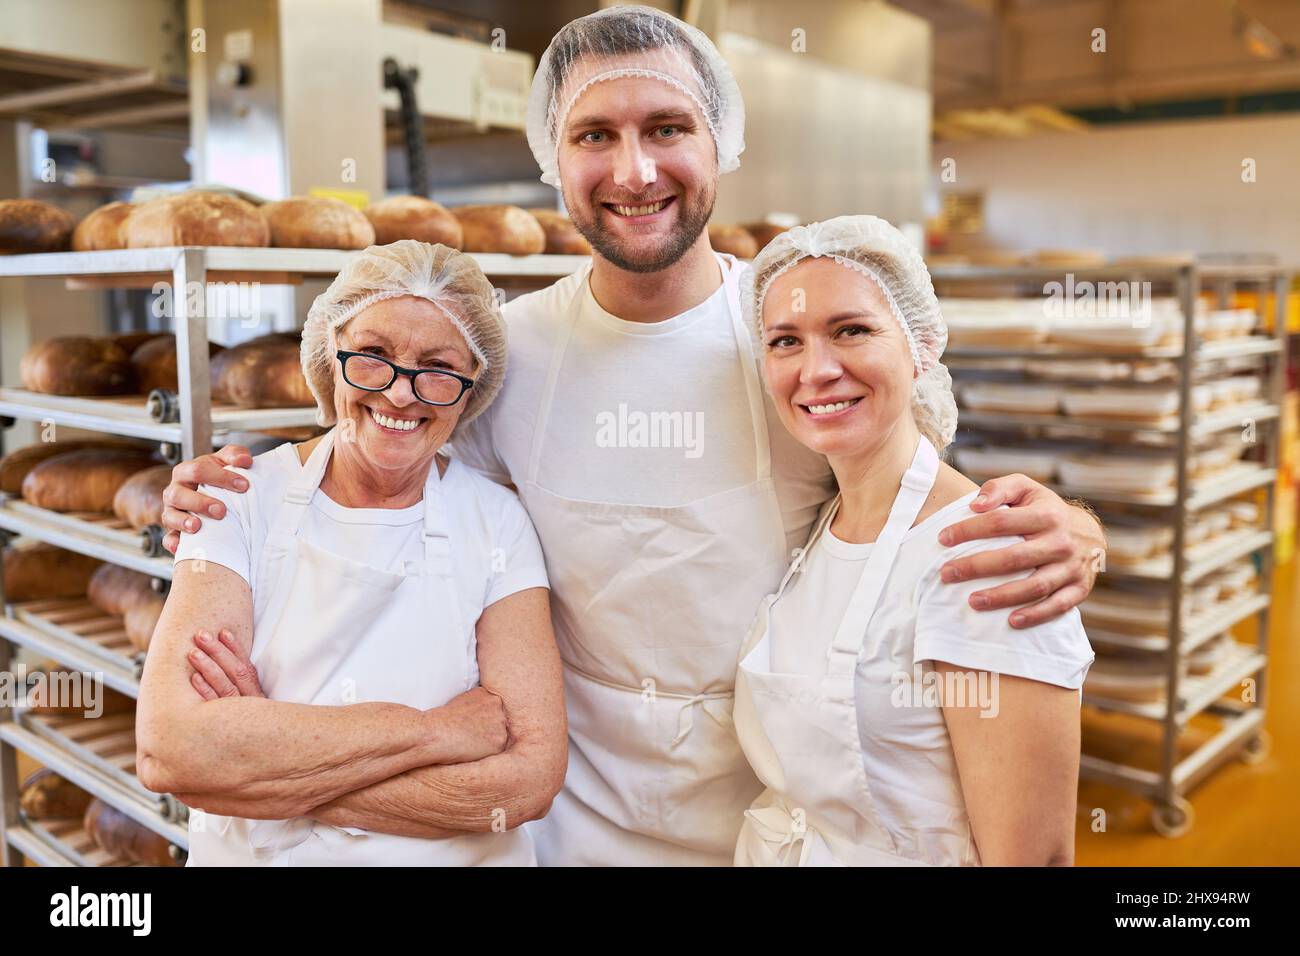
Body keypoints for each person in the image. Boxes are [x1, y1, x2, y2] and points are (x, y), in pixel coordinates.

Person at [157, 6, 1105, 866]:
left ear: (720, 142)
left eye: (667, 128)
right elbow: (384, 449)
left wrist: (1072, 525)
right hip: (559, 812)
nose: (634, 170)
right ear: (552, 159)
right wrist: (228, 490)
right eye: (594, 135)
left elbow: (910, 486)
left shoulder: (785, 332)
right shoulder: (513, 352)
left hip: (772, 810)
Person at [136, 241, 566, 866]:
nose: (400, 394)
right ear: (329, 360)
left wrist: (259, 773)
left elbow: (527, 781)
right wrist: (439, 732)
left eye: (439, 368)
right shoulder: (234, 501)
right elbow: (171, 749)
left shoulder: (498, 524)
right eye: (372, 357)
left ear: (471, 392)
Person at [733, 216, 1093, 867]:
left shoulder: (984, 557)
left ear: (922, 344)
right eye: (786, 341)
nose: (816, 370)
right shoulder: (824, 523)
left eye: (851, 330)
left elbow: (1034, 858)